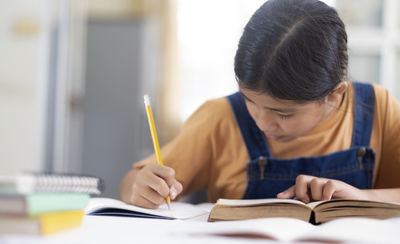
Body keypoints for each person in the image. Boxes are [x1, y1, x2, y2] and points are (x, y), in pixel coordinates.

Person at [120, 0, 400, 209]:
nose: (262, 123)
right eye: (250, 101)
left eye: (283, 113)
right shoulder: (219, 118)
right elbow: (132, 183)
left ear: (335, 94)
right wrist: (141, 187)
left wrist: (363, 197)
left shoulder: (377, 109)